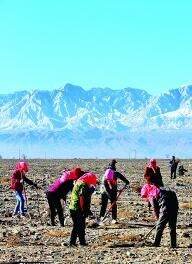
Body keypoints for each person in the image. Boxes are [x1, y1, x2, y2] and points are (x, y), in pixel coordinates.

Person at [69, 172, 98, 247]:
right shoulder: (84, 185)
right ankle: (75, 242)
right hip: (78, 208)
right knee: (79, 226)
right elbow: (82, 198)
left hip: (73, 207)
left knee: (79, 226)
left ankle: (78, 242)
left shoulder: (79, 182)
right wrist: (82, 210)